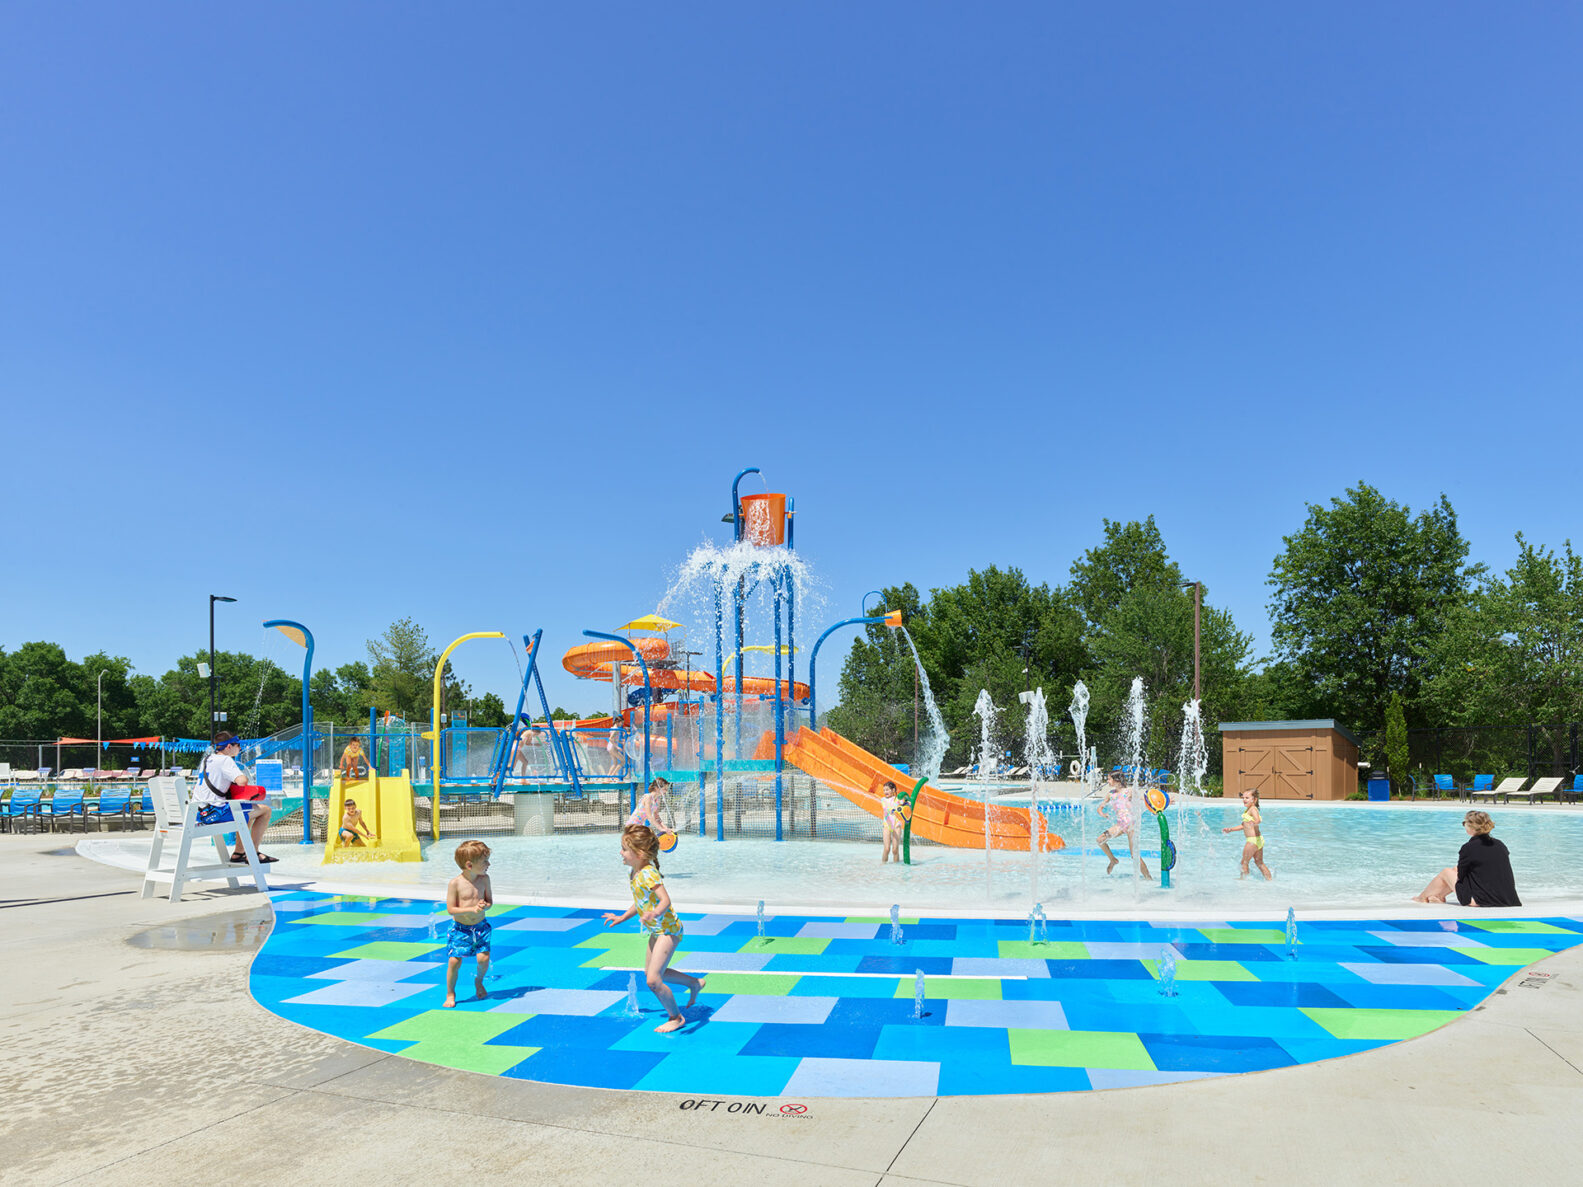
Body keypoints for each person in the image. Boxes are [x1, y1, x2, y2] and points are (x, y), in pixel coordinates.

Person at [602, 823, 704, 1033]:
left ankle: (676, 1017)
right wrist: (622, 917)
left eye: (624, 849)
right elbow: (640, 901)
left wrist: (655, 913)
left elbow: (665, 900)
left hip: (667, 930)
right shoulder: (635, 872)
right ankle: (694, 983)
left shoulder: (648, 873)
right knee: (654, 973)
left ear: (639, 853)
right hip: (657, 930)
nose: (620, 852)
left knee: (653, 980)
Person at [193, 731, 276, 864]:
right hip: (214, 814)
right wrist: (244, 777)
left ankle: (239, 852)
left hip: (198, 813)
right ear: (228, 747)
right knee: (265, 810)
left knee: (246, 811)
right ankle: (253, 853)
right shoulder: (225, 760)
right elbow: (242, 781)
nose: (240, 748)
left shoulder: (207, 759)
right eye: (237, 745)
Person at [1414, 810, 1521, 907]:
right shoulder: (1500, 844)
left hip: (1480, 900)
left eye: (1464, 823)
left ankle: (1422, 898)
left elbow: (1461, 876)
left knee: (1446, 872)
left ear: (1471, 827)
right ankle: (1439, 896)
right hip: (1508, 899)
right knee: (1455, 869)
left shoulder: (1468, 848)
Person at [444, 839, 493, 1007]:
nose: (489, 864)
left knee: (483, 959)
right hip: (460, 929)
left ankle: (479, 981)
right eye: (485, 861)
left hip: (480, 927)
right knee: (454, 961)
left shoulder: (484, 879)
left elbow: (490, 902)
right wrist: (472, 909)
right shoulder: (455, 884)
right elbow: (451, 909)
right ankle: (451, 992)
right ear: (469, 865)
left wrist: (484, 906)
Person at [1096, 770, 1152, 879]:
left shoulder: (1129, 791)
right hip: (1120, 826)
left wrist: (1164, 802)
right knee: (1100, 840)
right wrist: (1102, 813)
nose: (1107, 781)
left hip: (1132, 826)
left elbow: (1147, 800)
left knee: (1134, 855)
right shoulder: (1110, 794)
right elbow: (1100, 807)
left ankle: (1148, 878)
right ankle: (1113, 859)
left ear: (1116, 780)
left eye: (1109, 779)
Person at [1222, 788, 1273, 880]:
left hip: (1252, 841)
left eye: (1247, 798)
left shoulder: (1252, 809)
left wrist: (1254, 822)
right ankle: (1270, 880)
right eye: (1243, 798)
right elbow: (1243, 826)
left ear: (1254, 799)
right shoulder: (1249, 810)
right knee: (1259, 863)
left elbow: (1257, 819)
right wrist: (1231, 829)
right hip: (1258, 840)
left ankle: (1243, 881)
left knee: (1244, 862)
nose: (1244, 800)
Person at [880, 780, 902, 863]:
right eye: (884, 790)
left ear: (893, 790)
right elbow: (885, 808)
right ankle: (883, 864)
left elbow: (904, 804)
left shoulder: (897, 799)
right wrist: (892, 809)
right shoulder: (883, 800)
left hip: (897, 825)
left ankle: (896, 867)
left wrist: (906, 803)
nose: (885, 792)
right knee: (887, 848)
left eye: (887, 790)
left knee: (895, 849)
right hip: (887, 825)